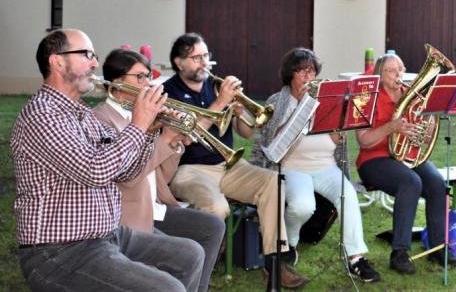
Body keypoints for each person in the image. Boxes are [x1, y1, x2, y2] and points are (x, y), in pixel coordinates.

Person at [12, 29, 204, 291]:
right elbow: (96, 171)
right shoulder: (42, 115)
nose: (94, 63)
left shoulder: (82, 114)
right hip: (59, 251)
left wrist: (149, 131)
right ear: (57, 61)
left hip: (106, 235)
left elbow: (126, 173)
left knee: (190, 254)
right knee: (168, 289)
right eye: (87, 55)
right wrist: (138, 125)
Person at [162, 32, 307, 289]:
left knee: (273, 182)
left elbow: (246, 133)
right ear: (178, 62)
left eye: (206, 55)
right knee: (217, 208)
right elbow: (188, 137)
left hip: (228, 164)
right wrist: (220, 102)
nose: (204, 62)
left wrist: (239, 112)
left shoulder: (215, 85)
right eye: (196, 57)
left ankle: (273, 265)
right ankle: (202, 267)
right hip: (189, 169)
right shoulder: (169, 92)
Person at [93, 48, 225, 292]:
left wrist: (173, 141)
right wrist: (164, 139)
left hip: (154, 205)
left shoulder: (140, 115)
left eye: (148, 76)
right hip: (128, 214)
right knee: (188, 254)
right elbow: (128, 177)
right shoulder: (103, 119)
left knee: (213, 227)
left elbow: (161, 176)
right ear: (118, 83)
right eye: (140, 77)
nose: (148, 84)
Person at [252, 48, 381, 283]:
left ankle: (355, 258)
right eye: (301, 71)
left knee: (348, 196)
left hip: (326, 165)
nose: (307, 76)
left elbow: (335, 140)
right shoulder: (277, 102)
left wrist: (340, 130)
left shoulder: (327, 100)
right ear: (290, 75)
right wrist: (302, 109)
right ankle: (290, 242)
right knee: (303, 206)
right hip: (292, 166)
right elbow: (269, 141)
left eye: (311, 71)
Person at [355, 52, 456, 274]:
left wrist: (429, 122)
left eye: (400, 69)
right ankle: (399, 252)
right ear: (379, 74)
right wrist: (391, 127)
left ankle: (438, 247)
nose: (398, 74)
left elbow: (425, 140)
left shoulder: (412, 97)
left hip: (407, 156)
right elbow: (363, 140)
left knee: (437, 184)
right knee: (410, 182)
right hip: (374, 159)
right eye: (391, 71)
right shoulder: (369, 98)